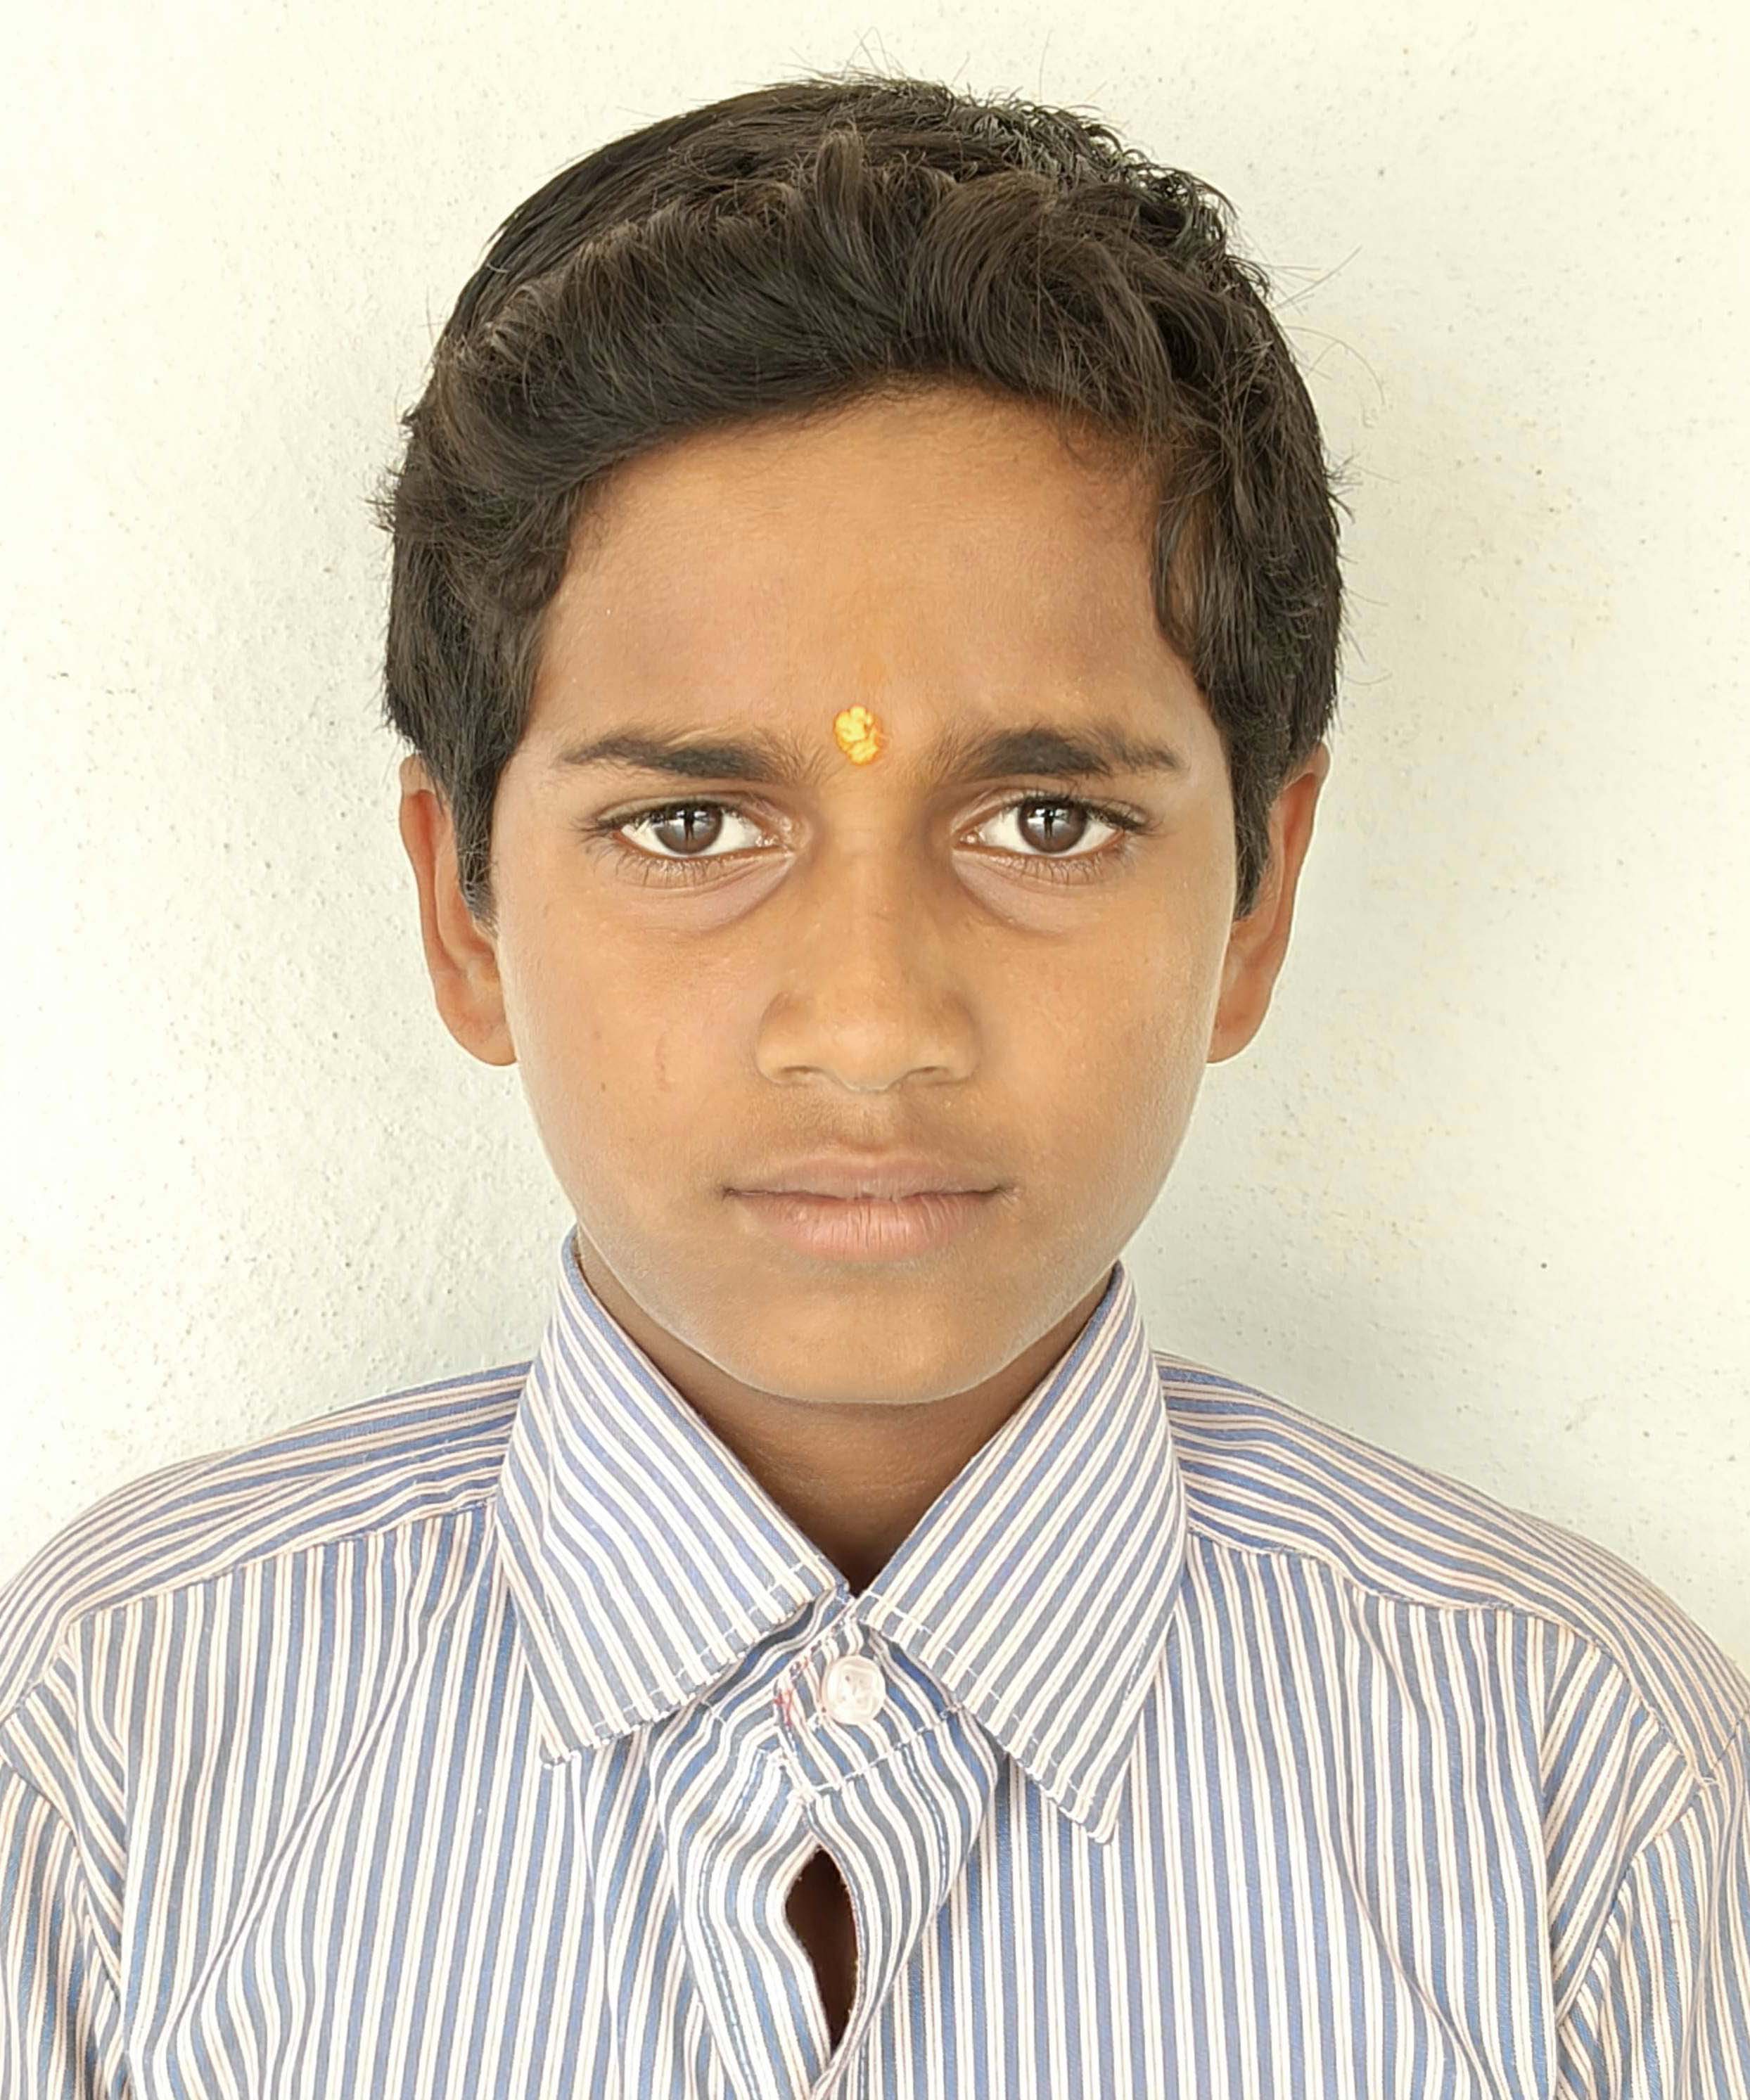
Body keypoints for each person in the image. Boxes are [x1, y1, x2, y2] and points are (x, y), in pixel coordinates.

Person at [3, 65, 1745, 2100]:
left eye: (1046, 823)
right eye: (689, 828)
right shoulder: (117, 1750)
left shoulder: (1577, 1795)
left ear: (1258, 903)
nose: (867, 1023)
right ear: (460, 909)